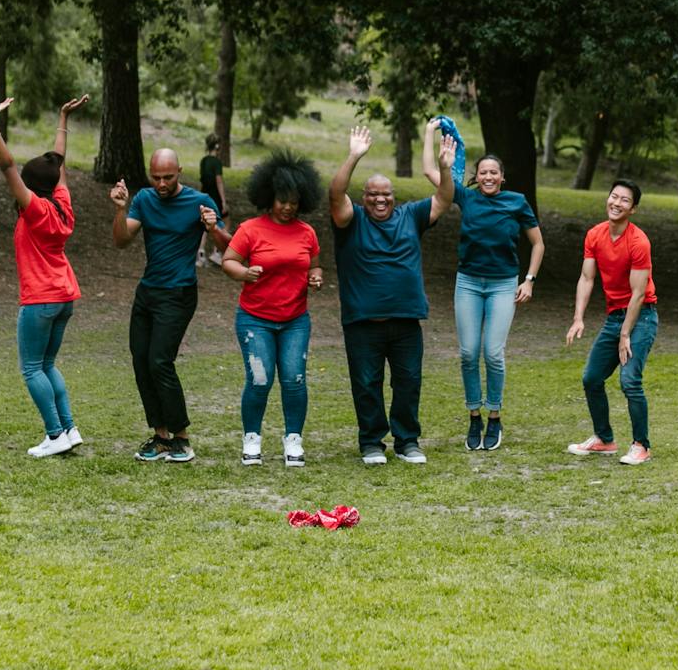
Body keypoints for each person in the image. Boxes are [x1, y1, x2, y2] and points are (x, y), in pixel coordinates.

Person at [329, 124, 456, 465]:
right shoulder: (351, 219)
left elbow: (445, 199)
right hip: (362, 323)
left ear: (394, 196)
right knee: (367, 384)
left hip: (405, 321)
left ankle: (407, 441)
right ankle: (371, 442)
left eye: (386, 194)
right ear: (364, 197)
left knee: (408, 382)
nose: (380, 199)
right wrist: (354, 156)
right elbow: (335, 194)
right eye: (373, 194)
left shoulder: (411, 216)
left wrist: (445, 168)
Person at [423, 122, 546, 451]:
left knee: (492, 353)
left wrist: (529, 280)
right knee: (467, 353)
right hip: (469, 283)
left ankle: (495, 416)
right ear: (476, 177)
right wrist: (429, 133)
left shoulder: (517, 202)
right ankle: (474, 416)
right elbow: (428, 171)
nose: (489, 177)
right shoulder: (464, 196)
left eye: (494, 172)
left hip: (504, 284)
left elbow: (538, 244)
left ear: (502, 177)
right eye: (483, 173)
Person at [0, 94, 89, 459]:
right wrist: (62, 117)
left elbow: (7, 166)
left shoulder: (35, 210)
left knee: (32, 369)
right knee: (47, 365)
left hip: (41, 298)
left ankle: (55, 433)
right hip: (64, 296)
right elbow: (58, 162)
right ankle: (70, 429)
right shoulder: (61, 202)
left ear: (31, 186)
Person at [111, 149, 231, 463]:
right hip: (148, 292)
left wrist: (212, 227)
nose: (162, 183)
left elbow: (230, 249)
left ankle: (182, 439)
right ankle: (161, 436)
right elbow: (122, 241)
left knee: (160, 361)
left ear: (179, 171)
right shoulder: (144, 200)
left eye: (168, 177)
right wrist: (121, 210)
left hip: (178, 293)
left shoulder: (199, 201)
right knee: (141, 361)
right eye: (156, 177)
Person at [222, 150, 324, 466]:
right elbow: (228, 261)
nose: (288, 206)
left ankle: (293, 439)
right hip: (255, 319)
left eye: (294, 200)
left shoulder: (307, 232)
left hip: (295, 320)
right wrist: (245, 273)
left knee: (294, 379)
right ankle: (252, 438)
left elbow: (315, 266)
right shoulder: (251, 229)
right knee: (260, 379)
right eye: (282, 200)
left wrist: (315, 278)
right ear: (269, 197)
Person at [564, 179, 659, 465]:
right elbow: (586, 278)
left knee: (630, 380)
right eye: (613, 197)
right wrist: (578, 318)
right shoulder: (595, 235)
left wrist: (626, 334)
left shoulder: (638, 242)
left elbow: (639, 293)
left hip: (641, 317)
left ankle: (641, 445)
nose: (616, 203)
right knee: (591, 378)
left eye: (625, 200)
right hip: (615, 316)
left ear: (634, 209)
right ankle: (604, 440)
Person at [197, 133, 227, 268]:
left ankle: (201, 253)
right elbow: (219, 181)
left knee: (204, 224)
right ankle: (217, 251)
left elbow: (202, 180)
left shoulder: (203, 161)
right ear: (218, 146)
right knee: (223, 221)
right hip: (215, 197)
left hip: (205, 195)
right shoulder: (217, 163)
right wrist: (224, 201)